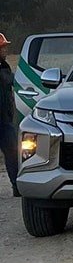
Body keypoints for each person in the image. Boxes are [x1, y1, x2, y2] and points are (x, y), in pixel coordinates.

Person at [0, 32, 19, 197]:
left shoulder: (4, 66)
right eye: (2, 48)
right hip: (3, 120)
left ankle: (17, 185)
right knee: (12, 152)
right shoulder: (3, 69)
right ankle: (16, 185)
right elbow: (9, 81)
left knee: (12, 152)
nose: (5, 50)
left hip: (5, 119)